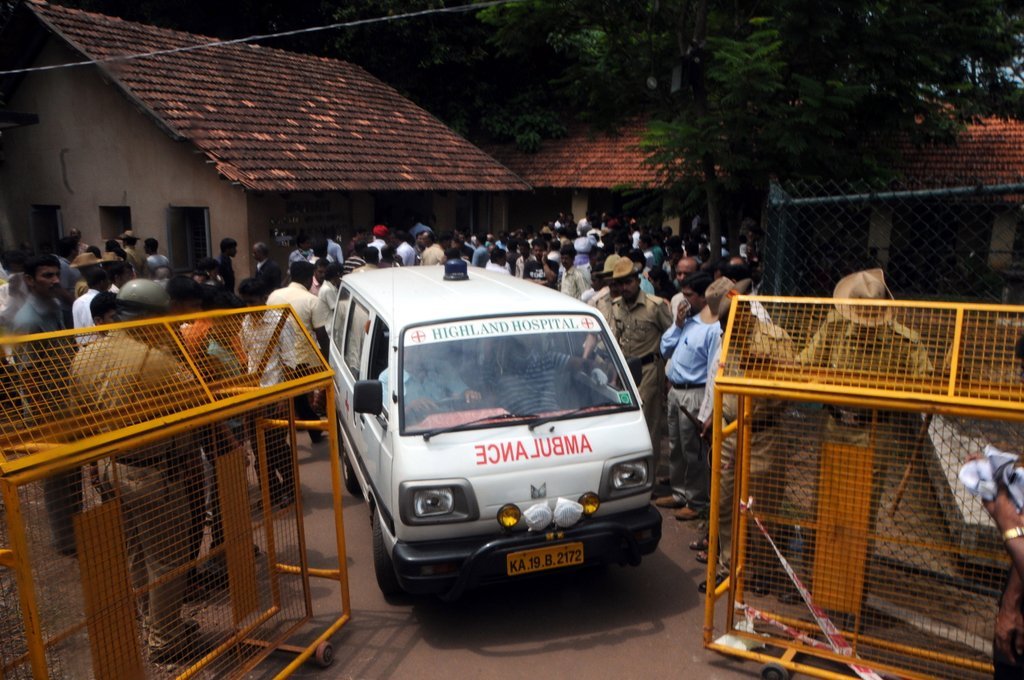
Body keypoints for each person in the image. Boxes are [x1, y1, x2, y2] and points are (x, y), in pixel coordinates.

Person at [70, 279, 202, 663]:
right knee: (168, 558)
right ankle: (165, 639)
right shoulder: (157, 360)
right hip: (154, 472)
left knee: (137, 551)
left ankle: (152, 622)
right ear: (150, 317)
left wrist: (93, 465)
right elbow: (195, 403)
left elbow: (81, 419)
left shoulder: (85, 356)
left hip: (111, 468)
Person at [14, 254, 82, 556]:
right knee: (57, 479)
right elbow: (28, 375)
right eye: (47, 275)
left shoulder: (53, 306)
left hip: (64, 405)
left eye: (56, 274)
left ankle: (77, 530)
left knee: (72, 474)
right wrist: (45, 422)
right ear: (29, 280)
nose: (55, 280)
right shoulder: (28, 320)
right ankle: (66, 540)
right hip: (48, 412)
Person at [607, 259, 673, 489]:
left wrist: (668, 374)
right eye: (620, 283)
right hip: (624, 372)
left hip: (648, 370)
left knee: (647, 423)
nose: (624, 287)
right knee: (624, 422)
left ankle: (649, 479)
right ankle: (628, 472)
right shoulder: (616, 307)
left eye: (628, 282)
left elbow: (671, 337)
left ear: (637, 281)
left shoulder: (655, 306)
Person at [658, 271, 718, 520]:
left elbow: (714, 370)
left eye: (689, 296)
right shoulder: (688, 321)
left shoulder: (713, 328)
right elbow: (664, 348)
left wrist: (708, 408)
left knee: (693, 450)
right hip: (676, 391)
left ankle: (696, 500)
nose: (684, 301)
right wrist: (678, 324)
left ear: (704, 298)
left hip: (695, 393)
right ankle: (679, 493)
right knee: (676, 446)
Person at [267, 261, 330, 444]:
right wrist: (328, 361)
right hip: (301, 358)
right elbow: (321, 334)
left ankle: (312, 429)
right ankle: (311, 430)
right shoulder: (311, 300)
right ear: (309, 278)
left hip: (277, 356)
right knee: (297, 397)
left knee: (296, 397)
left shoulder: (274, 296)